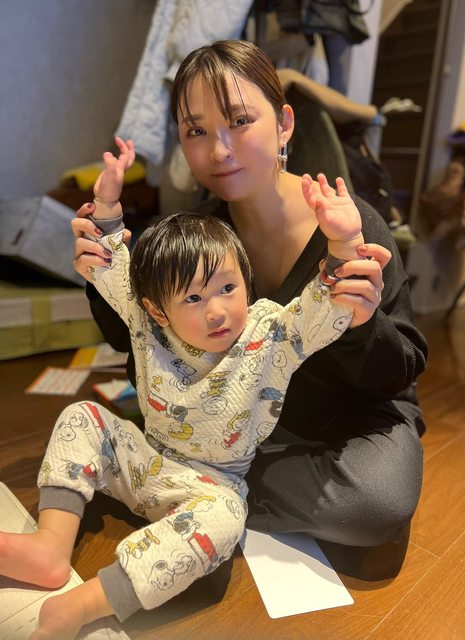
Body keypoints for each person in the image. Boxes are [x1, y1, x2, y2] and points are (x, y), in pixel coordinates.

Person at [75, 37, 424, 601]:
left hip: (347, 418)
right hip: (235, 423)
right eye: (196, 131)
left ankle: (186, 492)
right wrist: (99, 268)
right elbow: (136, 338)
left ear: (284, 124)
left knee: (376, 502)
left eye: (240, 121)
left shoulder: (348, 227)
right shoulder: (198, 237)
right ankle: (200, 491)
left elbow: (397, 374)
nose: (219, 150)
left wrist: (361, 324)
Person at [0, 129, 377, 638]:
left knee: (226, 520)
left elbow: (326, 306)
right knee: (80, 415)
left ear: (245, 280)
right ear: (158, 310)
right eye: (194, 299)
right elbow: (111, 265)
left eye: (228, 287)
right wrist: (106, 204)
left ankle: (85, 604)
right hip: (143, 460)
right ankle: (49, 546)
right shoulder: (147, 321)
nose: (218, 310)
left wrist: (343, 241)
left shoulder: (269, 332)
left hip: (209, 488)